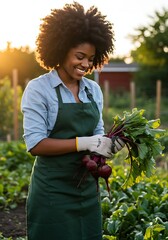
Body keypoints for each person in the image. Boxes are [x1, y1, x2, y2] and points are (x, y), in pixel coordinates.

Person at [21, 2, 125, 240]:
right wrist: (84, 142)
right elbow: (35, 144)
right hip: (52, 193)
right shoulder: (39, 89)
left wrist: (108, 146)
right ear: (60, 49)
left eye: (91, 58)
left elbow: (97, 135)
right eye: (80, 56)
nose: (86, 65)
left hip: (87, 190)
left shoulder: (93, 90)